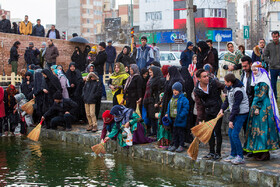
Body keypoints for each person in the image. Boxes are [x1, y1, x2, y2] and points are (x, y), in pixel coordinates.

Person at [243, 61, 280, 161]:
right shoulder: (258, 80)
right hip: (257, 104)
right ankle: (258, 150)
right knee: (256, 127)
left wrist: (257, 107)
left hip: (262, 107)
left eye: (255, 70)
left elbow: (261, 95)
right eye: (253, 70)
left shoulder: (263, 81)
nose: (254, 72)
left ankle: (263, 151)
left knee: (262, 127)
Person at [194, 69, 225, 160]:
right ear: (199, 79)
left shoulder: (213, 82)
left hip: (218, 110)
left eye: (207, 76)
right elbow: (199, 106)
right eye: (204, 77)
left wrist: (225, 94)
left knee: (217, 131)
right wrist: (200, 119)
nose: (207, 78)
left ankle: (218, 152)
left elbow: (224, 86)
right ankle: (211, 152)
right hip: (207, 111)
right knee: (210, 132)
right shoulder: (197, 90)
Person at [220, 73, 249, 165]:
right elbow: (227, 101)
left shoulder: (238, 91)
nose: (224, 83)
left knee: (235, 134)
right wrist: (222, 109)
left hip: (241, 114)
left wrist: (231, 120)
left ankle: (240, 156)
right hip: (235, 113)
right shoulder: (230, 89)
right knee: (230, 133)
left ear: (230, 82)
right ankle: (233, 154)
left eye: (225, 82)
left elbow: (236, 106)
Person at [166, 82, 189, 153]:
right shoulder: (172, 99)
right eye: (173, 90)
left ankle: (181, 145)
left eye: (176, 90)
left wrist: (181, 116)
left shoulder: (183, 99)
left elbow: (185, 109)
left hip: (180, 120)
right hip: (172, 119)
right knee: (174, 132)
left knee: (180, 133)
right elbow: (169, 108)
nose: (175, 92)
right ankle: (175, 144)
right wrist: (167, 114)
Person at [143, 66, 164, 136]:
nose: (150, 74)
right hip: (149, 100)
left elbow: (158, 92)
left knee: (155, 117)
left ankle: (156, 132)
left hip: (155, 101)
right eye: (149, 72)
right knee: (151, 117)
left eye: (151, 72)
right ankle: (153, 131)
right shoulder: (150, 79)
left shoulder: (159, 80)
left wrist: (157, 102)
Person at [264, 31, 280, 100]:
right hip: (273, 68)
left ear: (279, 36)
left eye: (276, 37)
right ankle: (274, 99)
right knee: (273, 85)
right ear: (272, 37)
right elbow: (265, 56)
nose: (275, 38)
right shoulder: (269, 45)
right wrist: (269, 62)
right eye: (274, 37)